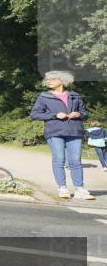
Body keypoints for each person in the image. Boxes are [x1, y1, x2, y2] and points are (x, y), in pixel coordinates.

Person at [30, 71, 94, 200]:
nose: (48, 81)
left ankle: (79, 189)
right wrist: (54, 115)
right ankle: (62, 188)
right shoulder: (44, 97)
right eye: (47, 79)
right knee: (59, 159)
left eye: (52, 79)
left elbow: (84, 113)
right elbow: (35, 114)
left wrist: (79, 115)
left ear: (62, 81)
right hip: (54, 132)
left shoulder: (75, 96)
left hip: (75, 131)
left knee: (76, 160)